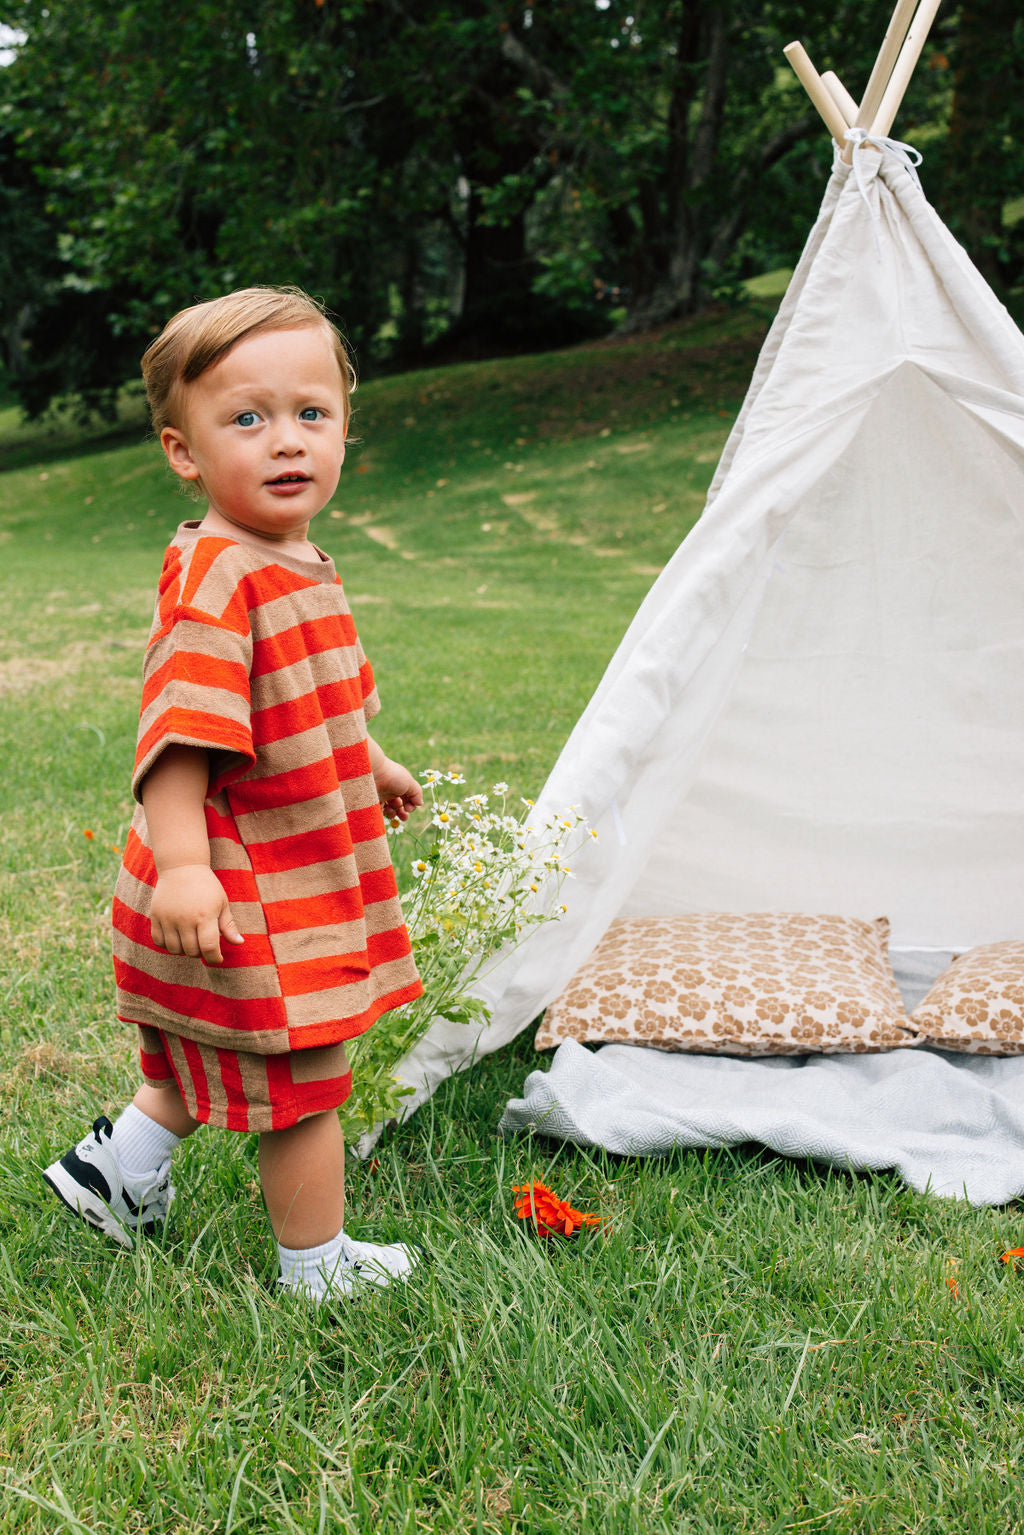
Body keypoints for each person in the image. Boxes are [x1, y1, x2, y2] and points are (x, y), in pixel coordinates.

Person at [43, 286, 425, 1302]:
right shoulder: (220, 578)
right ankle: (314, 1263)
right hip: (236, 887)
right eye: (247, 419)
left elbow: (320, 699)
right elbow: (181, 741)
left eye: (312, 413)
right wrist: (183, 869)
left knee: (192, 1064)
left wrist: (370, 761)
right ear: (184, 449)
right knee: (301, 1081)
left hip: (261, 877)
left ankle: (114, 1172)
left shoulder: (296, 562)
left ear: (345, 425)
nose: (286, 440)